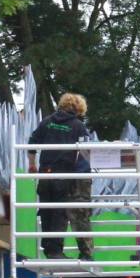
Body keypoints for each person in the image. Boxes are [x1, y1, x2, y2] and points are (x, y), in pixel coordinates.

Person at [27, 93, 93, 261]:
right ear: (79, 109)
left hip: (45, 172)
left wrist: (32, 164)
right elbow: (86, 152)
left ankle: (48, 249)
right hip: (64, 174)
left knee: (46, 210)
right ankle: (56, 251)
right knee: (59, 211)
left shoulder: (47, 122)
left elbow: (32, 142)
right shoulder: (78, 125)